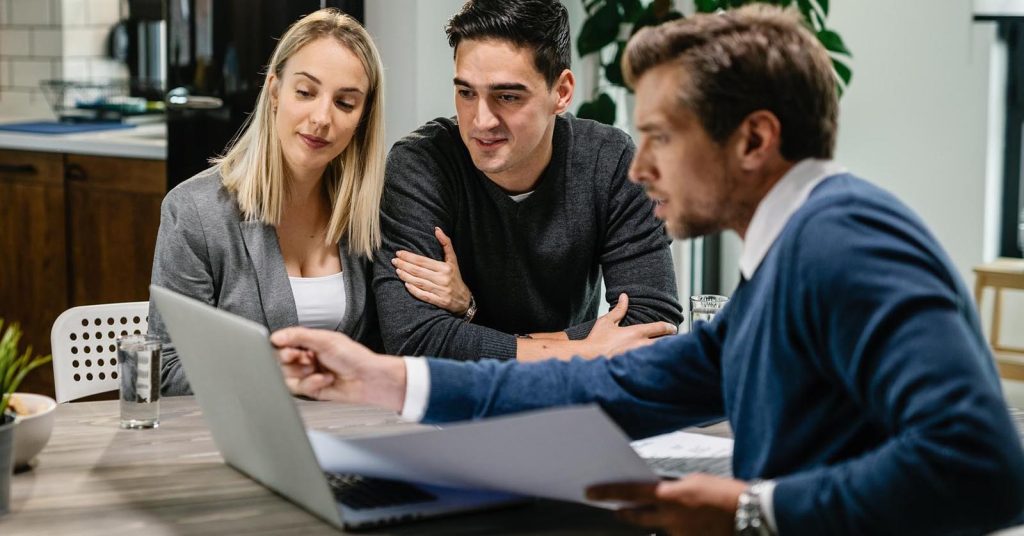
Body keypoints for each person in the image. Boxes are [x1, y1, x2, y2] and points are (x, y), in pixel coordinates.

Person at [273, 5, 1024, 536]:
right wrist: (380, 378)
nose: (641, 164)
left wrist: (750, 512)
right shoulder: (791, 256)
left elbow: (982, 463)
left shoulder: (849, 240)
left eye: (663, 135)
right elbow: (614, 381)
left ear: (753, 141)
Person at [375, 0, 683, 362]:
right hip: (457, 406)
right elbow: (414, 339)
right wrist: (581, 350)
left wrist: (470, 315)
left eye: (507, 96)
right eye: (466, 93)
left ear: (562, 92)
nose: (481, 121)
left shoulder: (610, 161)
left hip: (567, 402)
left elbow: (653, 322)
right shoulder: (422, 164)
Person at [147, 9, 394, 395]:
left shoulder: (372, 211)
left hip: (349, 432)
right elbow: (164, 370)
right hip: (242, 440)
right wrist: (269, 373)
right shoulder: (194, 212)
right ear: (275, 91)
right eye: (306, 92)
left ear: (362, 117)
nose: (321, 117)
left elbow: (393, 347)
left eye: (345, 103)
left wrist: (462, 300)